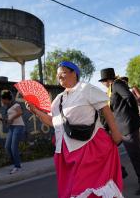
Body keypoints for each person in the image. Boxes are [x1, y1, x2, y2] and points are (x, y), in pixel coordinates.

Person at [27, 61, 123, 198]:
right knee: (71, 190)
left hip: (89, 147)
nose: (59, 76)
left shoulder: (85, 88)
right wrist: (35, 111)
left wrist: (115, 132)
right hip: (64, 152)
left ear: (74, 74)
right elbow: (52, 121)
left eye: (63, 72)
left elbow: (105, 108)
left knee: (88, 188)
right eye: (57, 74)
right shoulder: (58, 99)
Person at [99, 68, 140, 195]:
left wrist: (131, 115)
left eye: (103, 81)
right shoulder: (110, 90)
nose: (102, 84)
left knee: (136, 156)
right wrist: (105, 128)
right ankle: (121, 171)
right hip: (118, 128)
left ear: (106, 80)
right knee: (107, 149)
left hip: (128, 126)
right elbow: (111, 111)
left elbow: (129, 97)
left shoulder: (117, 84)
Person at [1, 91, 25, 174]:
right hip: (12, 127)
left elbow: (20, 112)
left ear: (6, 99)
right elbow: (10, 119)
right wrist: (6, 120)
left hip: (18, 127)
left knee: (13, 147)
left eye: (3, 100)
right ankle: (17, 162)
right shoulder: (8, 108)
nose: (2, 102)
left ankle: (17, 166)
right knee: (7, 147)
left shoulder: (16, 105)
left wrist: (11, 118)